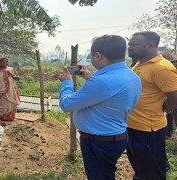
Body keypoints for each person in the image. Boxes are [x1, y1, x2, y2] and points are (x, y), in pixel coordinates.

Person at [59, 35, 142, 179]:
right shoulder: (131, 75)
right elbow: (109, 96)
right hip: (116, 136)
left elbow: (67, 105)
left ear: (98, 55)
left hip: (99, 142)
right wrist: (90, 78)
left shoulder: (102, 82)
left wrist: (67, 83)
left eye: (92, 56)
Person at [127, 31, 177, 180]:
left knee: (152, 172)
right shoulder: (140, 63)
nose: (130, 47)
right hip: (133, 126)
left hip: (148, 130)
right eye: (130, 44)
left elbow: (174, 96)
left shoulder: (162, 68)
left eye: (134, 45)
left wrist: (166, 107)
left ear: (151, 45)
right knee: (141, 168)